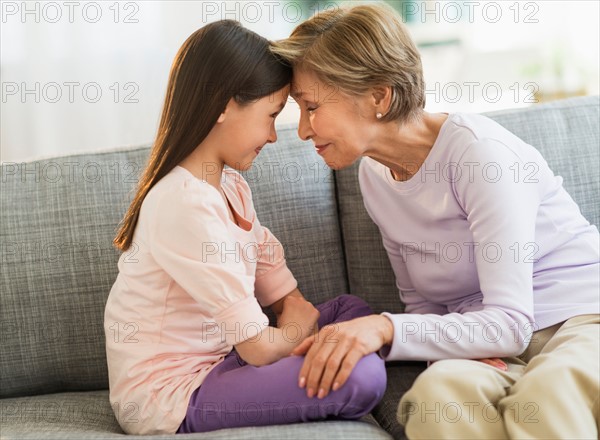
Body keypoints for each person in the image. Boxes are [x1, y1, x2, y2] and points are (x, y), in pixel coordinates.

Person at [271, 3, 600, 439]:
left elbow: (510, 322)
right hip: (494, 341)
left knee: (545, 397)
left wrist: (383, 327)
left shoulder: (480, 157)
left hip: (577, 322)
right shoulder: (374, 175)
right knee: (437, 398)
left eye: (311, 107)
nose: (304, 130)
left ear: (379, 97)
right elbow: (424, 305)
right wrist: (451, 352)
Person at [104, 20, 386, 436]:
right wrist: (297, 330)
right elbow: (259, 346)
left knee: (350, 312)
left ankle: (331, 358)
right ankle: (335, 364)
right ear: (223, 104)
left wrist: (294, 324)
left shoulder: (231, 185)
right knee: (363, 377)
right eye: (271, 115)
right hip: (175, 394)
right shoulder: (182, 201)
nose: (274, 136)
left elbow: (286, 297)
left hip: (228, 361)